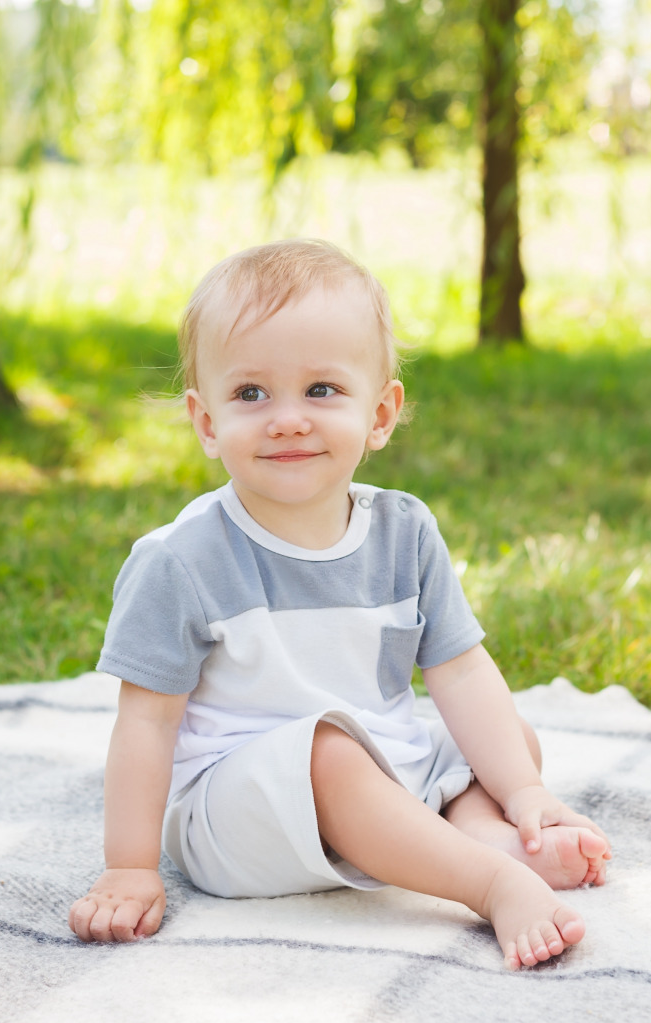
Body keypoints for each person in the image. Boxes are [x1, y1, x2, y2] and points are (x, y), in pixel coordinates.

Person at [69, 239, 611, 969]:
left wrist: (528, 791)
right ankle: (488, 880)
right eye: (250, 394)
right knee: (329, 754)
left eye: (321, 390)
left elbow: (459, 671)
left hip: (380, 769)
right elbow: (146, 719)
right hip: (242, 812)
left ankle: (489, 831)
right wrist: (131, 865)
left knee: (503, 734)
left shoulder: (403, 531)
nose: (287, 419)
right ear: (205, 422)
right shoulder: (182, 559)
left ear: (380, 413)